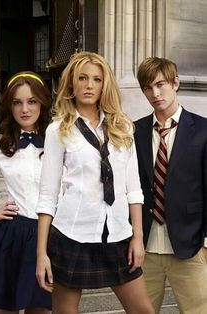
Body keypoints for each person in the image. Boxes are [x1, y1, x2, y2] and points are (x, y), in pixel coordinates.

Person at [35, 51, 154, 314]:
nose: (89, 85)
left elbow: (134, 189)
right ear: (71, 83)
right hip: (71, 235)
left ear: (105, 84)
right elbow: (47, 195)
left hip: (119, 234)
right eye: (83, 78)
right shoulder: (58, 130)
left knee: (143, 310)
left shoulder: (123, 127)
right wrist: (41, 254)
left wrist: (138, 237)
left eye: (97, 79)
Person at [0, 71, 52, 314]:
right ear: (9, 106)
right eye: (17, 102)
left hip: (49, 236)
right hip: (12, 236)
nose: (24, 109)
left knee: (41, 309)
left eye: (32, 101)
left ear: (43, 103)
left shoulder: (58, 140)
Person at [134, 57, 207, 314]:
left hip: (190, 246)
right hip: (144, 246)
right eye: (147, 88)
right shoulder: (134, 131)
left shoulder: (203, 130)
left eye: (160, 84)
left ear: (175, 83)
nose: (154, 93)